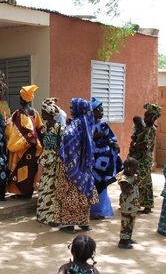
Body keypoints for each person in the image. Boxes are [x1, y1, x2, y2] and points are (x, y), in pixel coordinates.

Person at [58, 98, 98, 233]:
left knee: (71, 193)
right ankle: (84, 223)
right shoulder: (87, 122)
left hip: (72, 165)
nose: (70, 109)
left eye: (72, 107)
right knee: (83, 193)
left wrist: (68, 155)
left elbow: (69, 136)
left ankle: (70, 225)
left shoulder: (75, 125)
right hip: (84, 166)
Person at [6, 85, 43, 198]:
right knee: (30, 171)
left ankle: (20, 192)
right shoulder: (35, 113)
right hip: (33, 148)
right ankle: (28, 192)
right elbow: (40, 128)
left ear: (21, 99)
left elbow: (9, 129)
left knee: (19, 169)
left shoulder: (17, 113)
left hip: (20, 149)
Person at [89, 97, 123, 220]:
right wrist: (95, 136)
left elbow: (111, 138)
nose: (102, 113)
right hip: (93, 161)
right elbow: (86, 142)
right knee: (93, 185)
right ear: (92, 112)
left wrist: (114, 143)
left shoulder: (104, 125)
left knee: (102, 185)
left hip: (104, 161)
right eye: (100, 110)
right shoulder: (88, 125)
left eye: (102, 111)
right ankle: (92, 210)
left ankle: (100, 210)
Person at [35, 97, 64, 226]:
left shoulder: (59, 128)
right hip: (46, 158)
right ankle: (44, 216)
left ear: (49, 113)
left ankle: (53, 218)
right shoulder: (44, 127)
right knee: (44, 188)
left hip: (55, 161)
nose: (41, 114)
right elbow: (43, 144)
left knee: (54, 189)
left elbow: (61, 145)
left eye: (43, 112)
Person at [128, 103, 161, 214]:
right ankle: (141, 204)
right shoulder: (146, 128)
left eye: (146, 116)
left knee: (143, 181)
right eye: (144, 116)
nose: (144, 118)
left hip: (144, 159)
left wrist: (134, 146)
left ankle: (146, 205)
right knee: (140, 181)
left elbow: (145, 145)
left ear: (153, 118)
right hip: (140, 158)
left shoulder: (151, 130)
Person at [117, 157, 140, 249]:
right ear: (128, 168)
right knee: (125, 223)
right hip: (127, 205)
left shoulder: (131, 175)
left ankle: (128, 238)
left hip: (133, 204)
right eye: (134, 169)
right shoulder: (123, 178)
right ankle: (122, 242)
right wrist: (134, 180)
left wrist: (137, 178)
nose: (136, 171)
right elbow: (125, 190)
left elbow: (136, 183)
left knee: (131, 222)